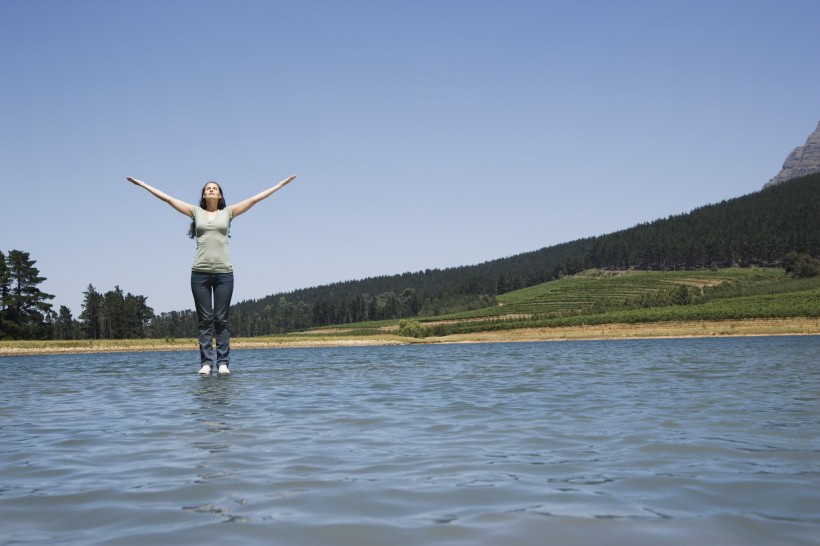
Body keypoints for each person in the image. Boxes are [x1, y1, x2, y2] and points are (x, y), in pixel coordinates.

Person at [126, 174, 297, 375]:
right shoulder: (195, 212)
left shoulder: (229, 212)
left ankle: (223, 363)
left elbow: (254, 199)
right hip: (199, 274)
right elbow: (169, 199)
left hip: (225, 273)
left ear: (221, 195)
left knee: (221, 319)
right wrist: (144, 184)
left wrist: (278, 185)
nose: (211, 190)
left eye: (214, 188)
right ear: (204, 195)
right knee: (205, 319)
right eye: (208, 188)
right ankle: (206, 363)